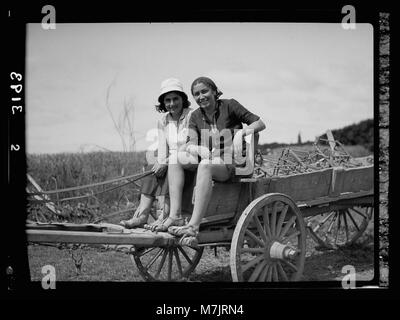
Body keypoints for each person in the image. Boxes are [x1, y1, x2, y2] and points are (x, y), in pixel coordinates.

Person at [167, 76, 266, 245]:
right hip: (212, 161)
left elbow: (260, 123)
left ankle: (193, 226)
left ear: (214, 91)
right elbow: (190, 141)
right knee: (175, 159)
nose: (201, 96)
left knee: (205, 165)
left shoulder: (230, 105)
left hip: (235, 162)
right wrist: (196, 148)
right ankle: (175, 215)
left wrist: (243, 133)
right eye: (196, 94)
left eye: (204, 91)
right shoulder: (196, 116)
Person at [120, 78, 193, 229]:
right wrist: (160, 162)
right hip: (169, 158)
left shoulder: (191, 116)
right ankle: (142, 215)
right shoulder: (163, 121)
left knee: (171, 166)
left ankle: (165, 216)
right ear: (163, 103)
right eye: (168, 100)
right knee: (152, 170)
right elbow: (162, 145)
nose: (172, 103)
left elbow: (191, 143)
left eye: (175, 99)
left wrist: (167, 161)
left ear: (183, 99)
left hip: (188, 158)